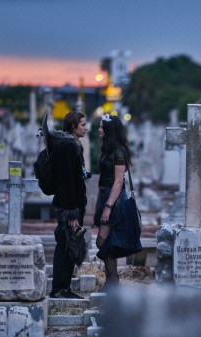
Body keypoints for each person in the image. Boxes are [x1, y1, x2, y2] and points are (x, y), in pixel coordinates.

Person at [49, 111, 88, 299]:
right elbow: (66, 181)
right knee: (65, 245)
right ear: (73, 126)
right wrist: (72, 213)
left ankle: (63, 287)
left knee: (69, 244)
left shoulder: (72, 146)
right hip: (68, 207)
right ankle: (59, 289)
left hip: (72, 205)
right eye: (82, 124)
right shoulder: (67, 147)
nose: (86, 128)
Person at [93, 113, 132, 289]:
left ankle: (113, 282)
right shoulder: (108, 149)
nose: (99, 129)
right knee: (105, 241)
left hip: (114, 198)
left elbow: (118, 181)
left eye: (102, 126)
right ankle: (111, 281)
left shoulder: (119, 151)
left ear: (109, 129)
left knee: (103, 240)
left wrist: (108, 206)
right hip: (105, 194)